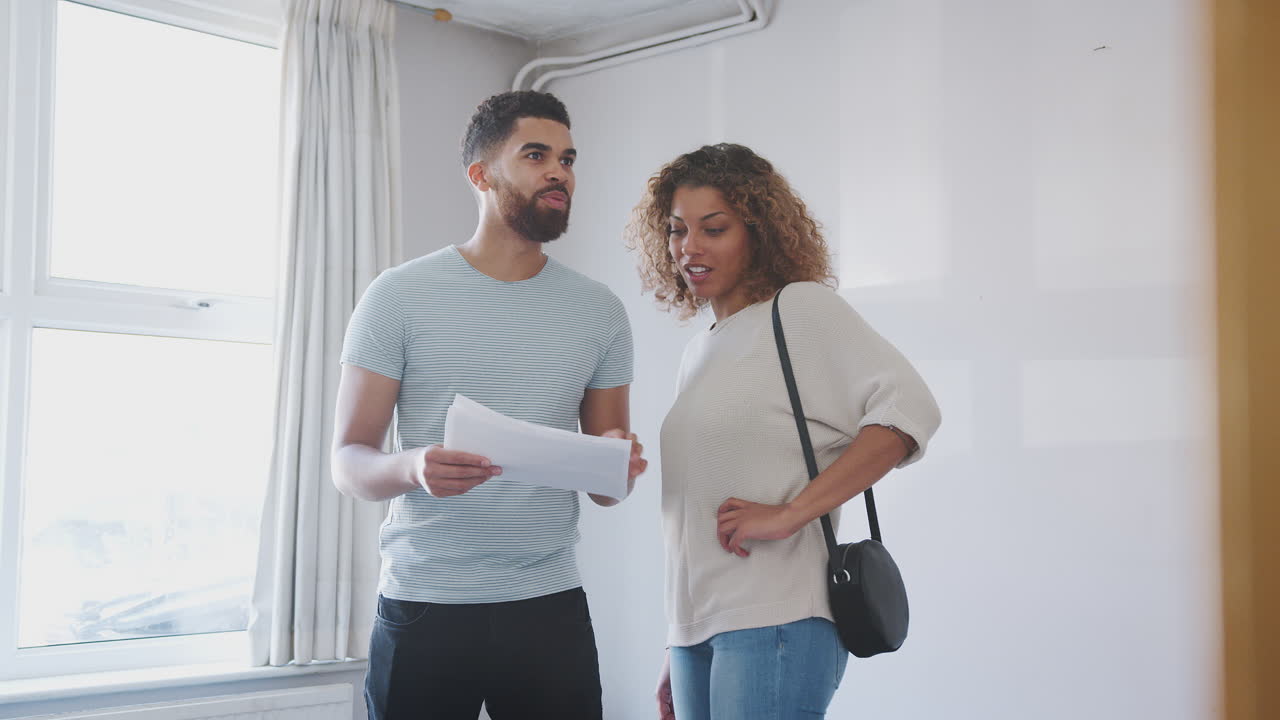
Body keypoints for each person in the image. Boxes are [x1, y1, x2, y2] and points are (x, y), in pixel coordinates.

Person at [332, 90, 647, 720]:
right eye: (536, 155)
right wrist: (414, 466)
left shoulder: (600, 311)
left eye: (567, 158)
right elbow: (349, 461)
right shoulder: (397, 296)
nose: (559, 172)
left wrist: (622, 463)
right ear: (481, 175)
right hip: (425, 606)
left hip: (548, 604)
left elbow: (610, 487)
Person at [626, 143, 941, 720]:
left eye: (713, 228)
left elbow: (908, 412)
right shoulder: (700, 350)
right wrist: (680, 636)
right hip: (700, 629)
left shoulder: (798, 311)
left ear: (759, 232)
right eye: (676, 230)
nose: (688, 247)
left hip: (777, 619)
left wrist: (787, 514)